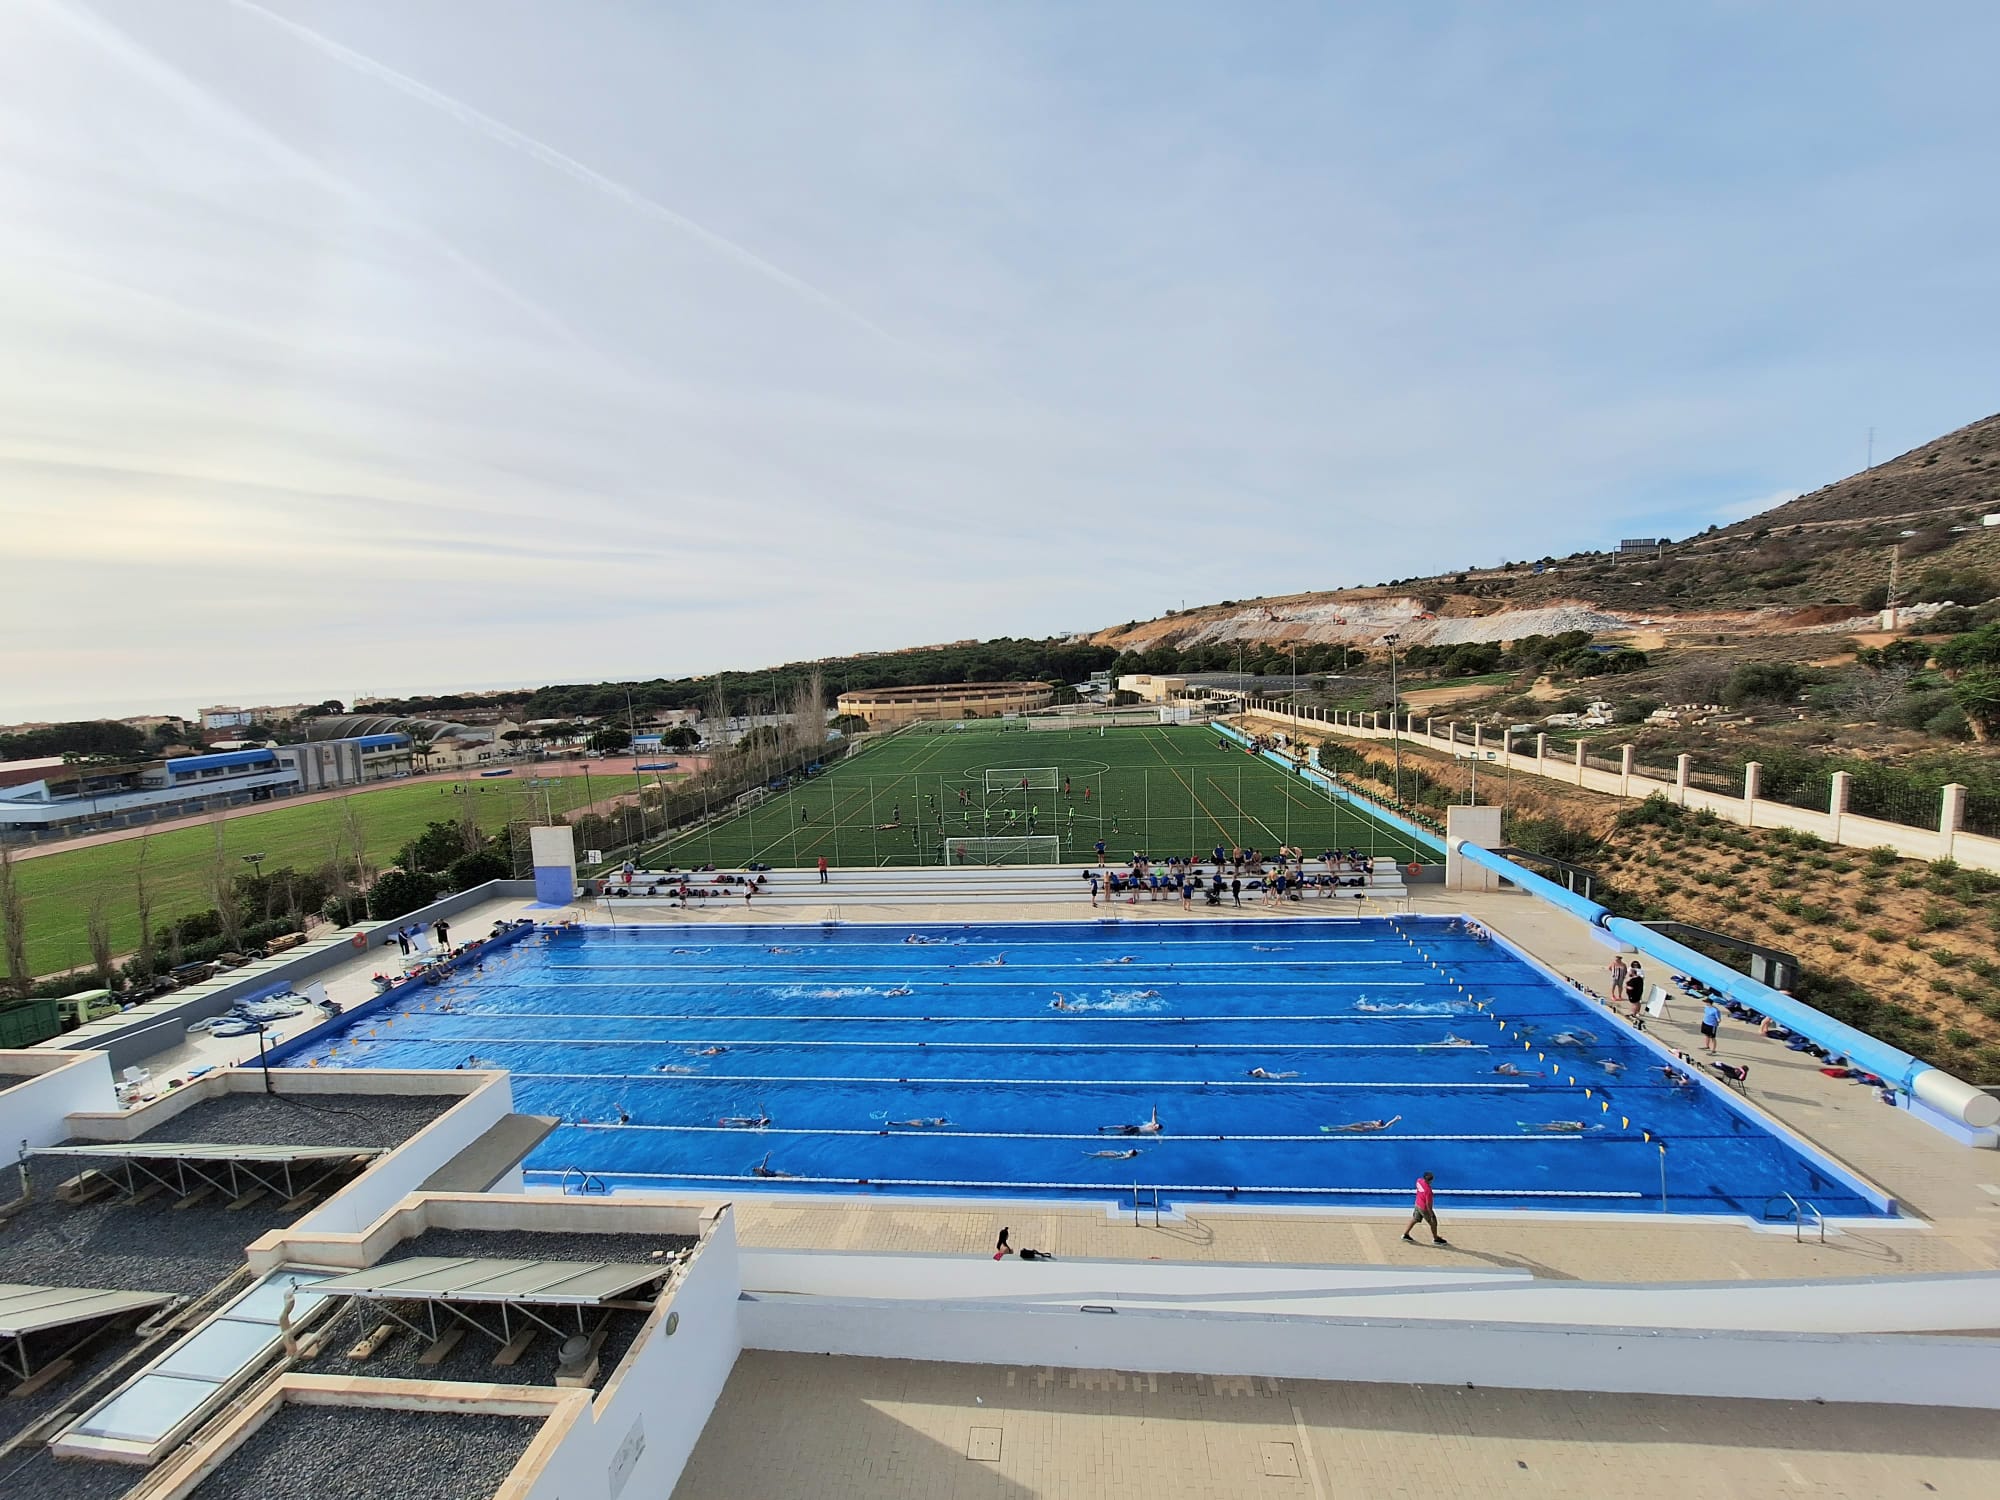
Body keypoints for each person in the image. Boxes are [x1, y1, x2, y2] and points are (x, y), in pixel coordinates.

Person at [1402, 1171, 1446, 1244]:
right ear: (1430, 1180)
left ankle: (1405, 1234)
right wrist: (1431, 1214)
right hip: (1424, 1208)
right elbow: (1428, 1204)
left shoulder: (1419, 1181)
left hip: (1417, 1203)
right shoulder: (1428, 1191)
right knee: (1433, 1223)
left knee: (1415, 1219)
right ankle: (1435, 1239)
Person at [1097, 1107, 1163, 1136]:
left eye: (1156, 1127)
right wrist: (1154, 1107)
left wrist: (1160, 1142)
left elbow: (1158, 1137)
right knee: (1119, 1127)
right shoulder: (1153, 1123)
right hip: (1134, 1127)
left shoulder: (1154, 1132)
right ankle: (1105, 1128)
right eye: (1155, 1126)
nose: (1155, 1127)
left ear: (1157, 1129)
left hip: (1135, 1131)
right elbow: (1154, 1115)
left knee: (1121, 1134)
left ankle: (1107, 1135)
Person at [1324, 1115, 1402, 1132]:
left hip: (1362, 1129)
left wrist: (1395, 1119)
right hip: (1361, 1124)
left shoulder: (1378, 1128)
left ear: (1379, 1124)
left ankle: (1330, 1130)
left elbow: (1387, 1125)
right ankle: (1329, 1127)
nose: (1377, 1121)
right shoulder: (1373, 1122)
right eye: (1378, 1120)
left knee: (1346, 1128)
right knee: (1345, 1126)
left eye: (1379, 1122)